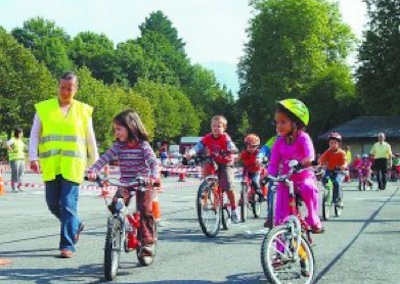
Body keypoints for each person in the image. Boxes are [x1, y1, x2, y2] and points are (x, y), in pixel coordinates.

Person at [29, 71, 98, 258]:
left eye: (70, 88)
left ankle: (67, 245)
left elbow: (90, 139)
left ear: (76, 89)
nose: (65, 92)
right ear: (58, 87)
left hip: (73, 165)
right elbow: (35, 134)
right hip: (51, 164)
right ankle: (76, 224)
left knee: (68, 205)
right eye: (62, 88)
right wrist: (33, 157)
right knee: (52, 204)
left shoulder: (83, 111)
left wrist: (95, 165)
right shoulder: (44, 108)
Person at [87, 109, 159, 256]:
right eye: (115, 130)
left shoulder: (143, 145)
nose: (116, 133)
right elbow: (104, 158)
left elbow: (153, 163)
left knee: (145, 209)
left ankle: (147, 243)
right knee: (115, 205)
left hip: (143, 183)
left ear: (131, 127)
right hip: (125, 183)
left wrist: (154, 177)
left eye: (119, 129)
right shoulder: (119, 146)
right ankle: (121, 228)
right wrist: (93, 170)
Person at [267, 99, 323, 233]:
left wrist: (307, 161)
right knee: (280, 216)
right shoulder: (278, 142)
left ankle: (312, 217)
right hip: (286, 180)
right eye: (277, 122)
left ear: (296, 123)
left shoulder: (303, 137)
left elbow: (310, 155)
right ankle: (279, 249)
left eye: (283, 122)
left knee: (308, 187)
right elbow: (274, 163)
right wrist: (269, 175)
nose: (279, 126)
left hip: (304, 176)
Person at [186, 115, 240, 223]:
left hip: (225, 162)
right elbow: (199, 146)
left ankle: (234, 209)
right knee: (206, 165)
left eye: (219, 126)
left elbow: (230, 144)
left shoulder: (225, 137)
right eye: (213, 126)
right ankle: (206, 188)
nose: (215, 128)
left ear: (224, 128)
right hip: (212, 160)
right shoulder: (208, 137)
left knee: (228, 185)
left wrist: (232, 149)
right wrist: (191, 153)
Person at [318, 132, 347, 206]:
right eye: (331, 143)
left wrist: (343, 166)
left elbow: (345, 162)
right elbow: (321, 159)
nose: (332, 145)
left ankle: (338, 199)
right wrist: (319, 164)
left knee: (336, 182)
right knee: (324, 178)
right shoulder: (328, 151)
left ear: (339, 144)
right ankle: (328, 191)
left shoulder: (342, 153)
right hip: (329, 170)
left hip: (339, 171)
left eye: (334, 143)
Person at [239, 134, 264, 200]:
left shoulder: (258, 153)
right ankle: (242, 199)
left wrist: (263, 160)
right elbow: (238, 158)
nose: (251, 148)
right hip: (246, 170)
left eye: (253, 147)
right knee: (244, 182)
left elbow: (263, 157)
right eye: (249, 146)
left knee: (255, 182)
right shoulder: (244, 153)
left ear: (257, 147)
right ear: (246, 146)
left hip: (256, 171)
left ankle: (260, 193)